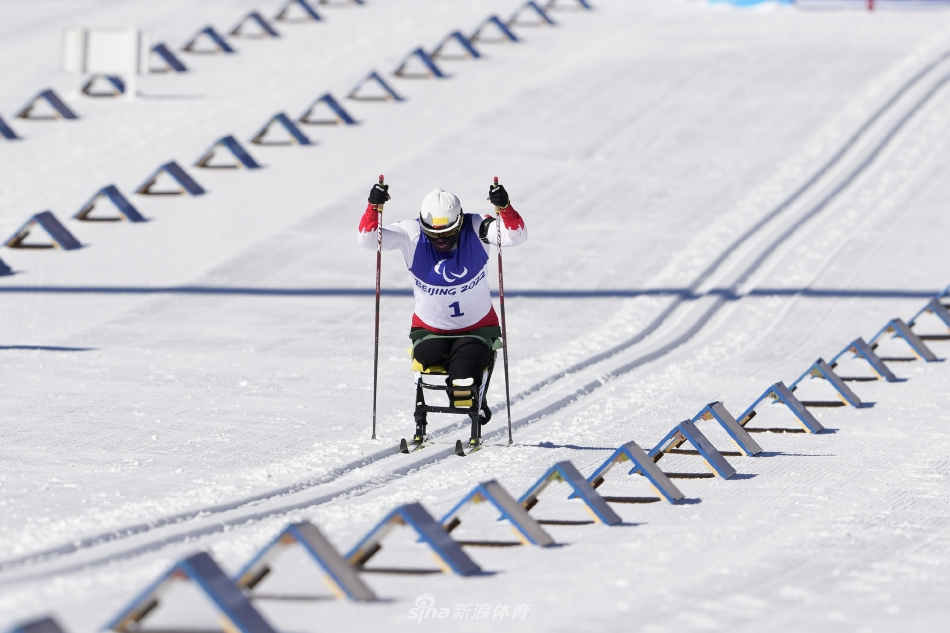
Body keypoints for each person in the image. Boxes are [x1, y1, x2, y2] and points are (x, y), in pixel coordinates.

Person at [357, 180, 527, 444]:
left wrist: (504, 208)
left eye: (447, 234)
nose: (440, 240)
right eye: (434, 234)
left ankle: (468, 392)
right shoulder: (411, 232)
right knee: (425, 360)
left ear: (459, 222)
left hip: (476, 329)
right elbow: (368, 240)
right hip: (430, 330)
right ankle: (433, 411)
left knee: (463, 381)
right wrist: (373, 207)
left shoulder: (477, 226)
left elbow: (515, 236)